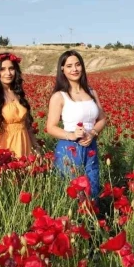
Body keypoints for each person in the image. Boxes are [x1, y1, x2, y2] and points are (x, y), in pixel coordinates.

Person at [45, 50, 107, 199]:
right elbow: (50, 127)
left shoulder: (91, 92)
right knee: (71, 193)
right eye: (69, 66)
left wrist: (92, 133)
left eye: (78, 65)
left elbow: (103, 119)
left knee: (92, 189)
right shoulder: (59, 96)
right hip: (69, 148)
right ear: (62, 70)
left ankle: (92, 220)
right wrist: (72, 135)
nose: (74, 69)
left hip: (90, 146)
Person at [0, 53, 39, 158]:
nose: (8, 73)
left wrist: (36, 148)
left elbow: (27, 126)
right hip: (4, 145)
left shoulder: (18, 92)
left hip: (24, 145)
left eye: (11, 68)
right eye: (2, 69)